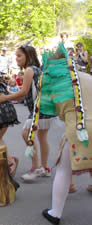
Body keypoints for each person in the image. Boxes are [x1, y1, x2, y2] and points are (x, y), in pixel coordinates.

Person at [30, 43, 92, 225]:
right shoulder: (87, 76)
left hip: (79, 129)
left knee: (64, 170)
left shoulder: (54, 85)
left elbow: (49, 111)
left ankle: (55, 213)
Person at [0, 44, 55, 181]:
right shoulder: (35, 69)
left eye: (19, 56)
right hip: (45, 107)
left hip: (38, 109)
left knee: (27, 134)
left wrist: (5, 97)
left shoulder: (29, 70)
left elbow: (22, 92)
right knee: (42, 137)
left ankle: (36, 167)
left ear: (28, 56)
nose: (16, 58)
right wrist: (10, 94)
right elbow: (23, 95)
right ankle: (45, 168)